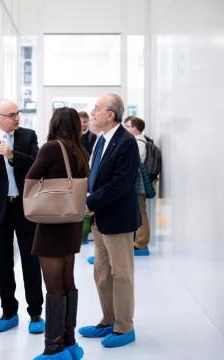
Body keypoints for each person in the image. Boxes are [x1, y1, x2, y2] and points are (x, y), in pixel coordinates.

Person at [0, 99, 45, 333]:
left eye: (18, 113)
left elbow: (36, 164)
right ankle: (8, 312)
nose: (17, 118)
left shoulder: (28, 135)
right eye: (11, 114)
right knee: (4, 263)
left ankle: (35, 313)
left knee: (30, 261)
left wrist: (12, 154)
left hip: (25, 208)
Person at [78, 94, 141, 348]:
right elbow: (95, 176)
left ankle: (124, 327)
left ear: (110, 115)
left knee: (121, 274)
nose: (92, 113)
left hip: (118, 220)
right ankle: (108, 320)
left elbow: (120, 185)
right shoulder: (101, 140)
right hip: (100, 219)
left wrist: (91, 203)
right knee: (102, 273)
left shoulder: (126, 142)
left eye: (97, 109)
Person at [27, 107, 89, 360]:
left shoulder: (52, 148)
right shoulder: (79, 151)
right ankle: (69, 343)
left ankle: (53, 350)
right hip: (71, 223)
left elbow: (32, 178)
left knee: (53, 287)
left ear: (55, 123)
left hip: (51, 224)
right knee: (67, 282)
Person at [124, 116, 151, 256]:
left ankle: (141, 243)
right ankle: (138, 242)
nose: (126, 129)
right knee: (139, 212)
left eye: (128, 126)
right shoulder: (138, 141)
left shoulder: (139, 143)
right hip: (136, 184)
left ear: (135, 127)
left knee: (141, 212)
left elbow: (134, 163)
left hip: (138, 185)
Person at [78, 111, 96, 245]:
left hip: (88, 174)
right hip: (76, 175)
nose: (83, 124)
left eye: (85, 121)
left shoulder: (93, 137)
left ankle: (84, 234)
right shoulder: (73, 136)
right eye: (81, 121)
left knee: (87, 204)